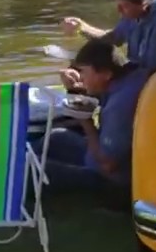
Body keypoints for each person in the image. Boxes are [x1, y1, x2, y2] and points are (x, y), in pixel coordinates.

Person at [31, 38, 148, 207]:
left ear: (106, 73)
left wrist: (86, 122)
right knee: (55, 137)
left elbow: (108, 165)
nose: (81, 76)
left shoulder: (120, 106)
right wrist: (75, 89)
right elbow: (102, 93)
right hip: (105, 156)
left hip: (113, 183)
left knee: (30, 170)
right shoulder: (131, 76)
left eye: (84, 72)